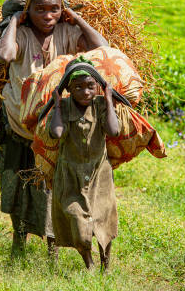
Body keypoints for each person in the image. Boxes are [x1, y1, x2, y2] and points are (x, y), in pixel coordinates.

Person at [0, 0, 108, 255]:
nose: (47, 16)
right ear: (28, 11)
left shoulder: (68, 32)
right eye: (40, 10)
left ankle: (52, 248)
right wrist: (13, 22)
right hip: (19, 125)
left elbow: (103, 48)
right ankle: (18, 242)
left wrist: (76, 18)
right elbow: (4, 54)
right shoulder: (20, 34)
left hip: (55, 126)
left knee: (53, 189)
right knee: (17, 183)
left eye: (55, 10)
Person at [48, 57, 120, 270]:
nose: (86, 92)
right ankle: (89, 263)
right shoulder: (64, 106)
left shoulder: (100, 105)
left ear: (97, 87)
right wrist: (57, 104)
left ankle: (105, 267)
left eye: (91, 86)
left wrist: (108, 99)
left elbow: (113, 131)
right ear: (68, 89)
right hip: (71, 176)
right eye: (78, 87)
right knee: (77, 220)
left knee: (103, 219)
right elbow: (56, 132)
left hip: (100, 174)